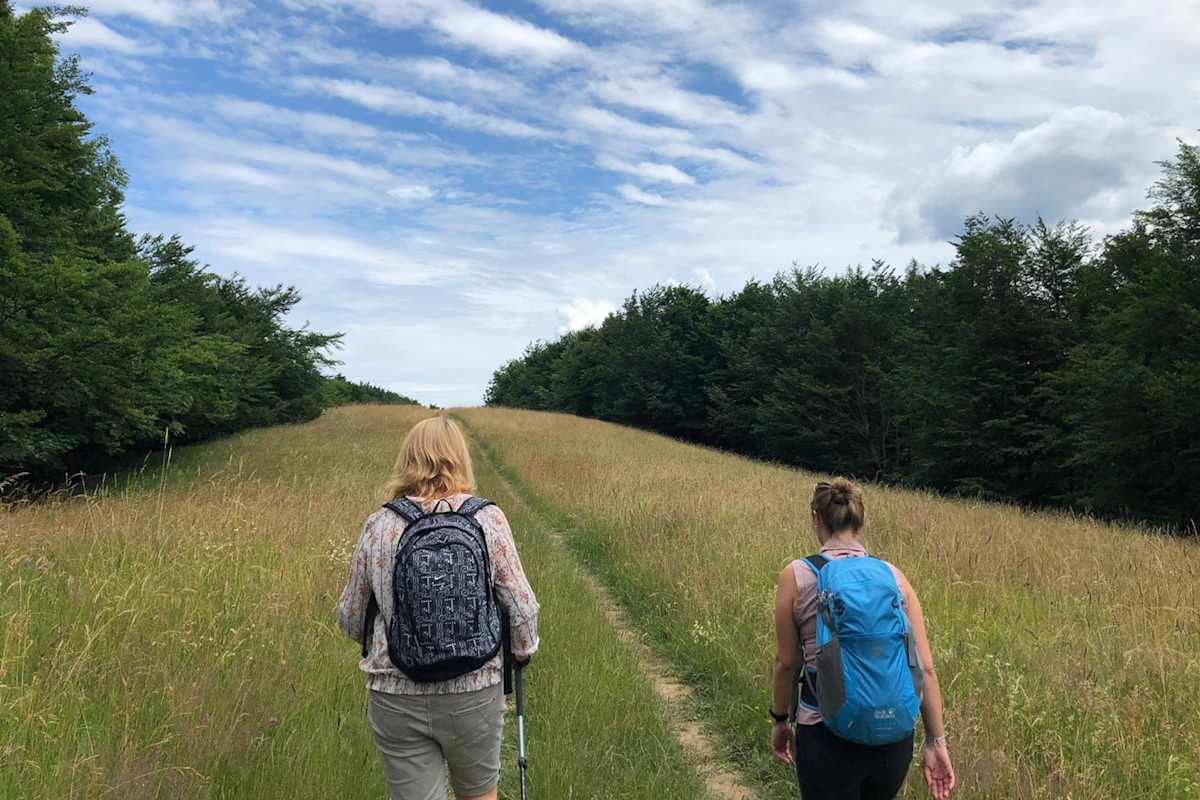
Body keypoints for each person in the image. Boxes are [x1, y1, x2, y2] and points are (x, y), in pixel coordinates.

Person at [336, 415, 539, 800]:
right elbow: (522, 606)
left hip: (395, 691)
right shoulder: (488, 519)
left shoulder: (379, 525)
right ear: (460, 459)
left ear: (407, 459)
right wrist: (522, 652)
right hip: (475, 687)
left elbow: (350, 616)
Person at [770, 478, 955, 800]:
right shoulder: (894, 577)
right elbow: (925, 669)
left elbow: (787, 663)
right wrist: (936, 743)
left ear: (816, 519)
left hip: (824, 730)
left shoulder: (797, 575)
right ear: (862, 520)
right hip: (892, 735)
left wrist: (780, 720)